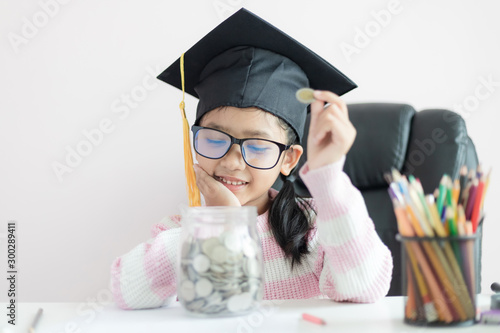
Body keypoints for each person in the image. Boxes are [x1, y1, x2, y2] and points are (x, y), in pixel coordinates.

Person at [110, 8, 392, 310]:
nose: (232, 162)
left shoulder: (315, 225)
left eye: (257, 146)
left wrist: (328, 177)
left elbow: (364, 287)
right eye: (215, 139)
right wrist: (221, 224)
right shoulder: (183, 230)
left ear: (289, 159)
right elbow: (125, 291)